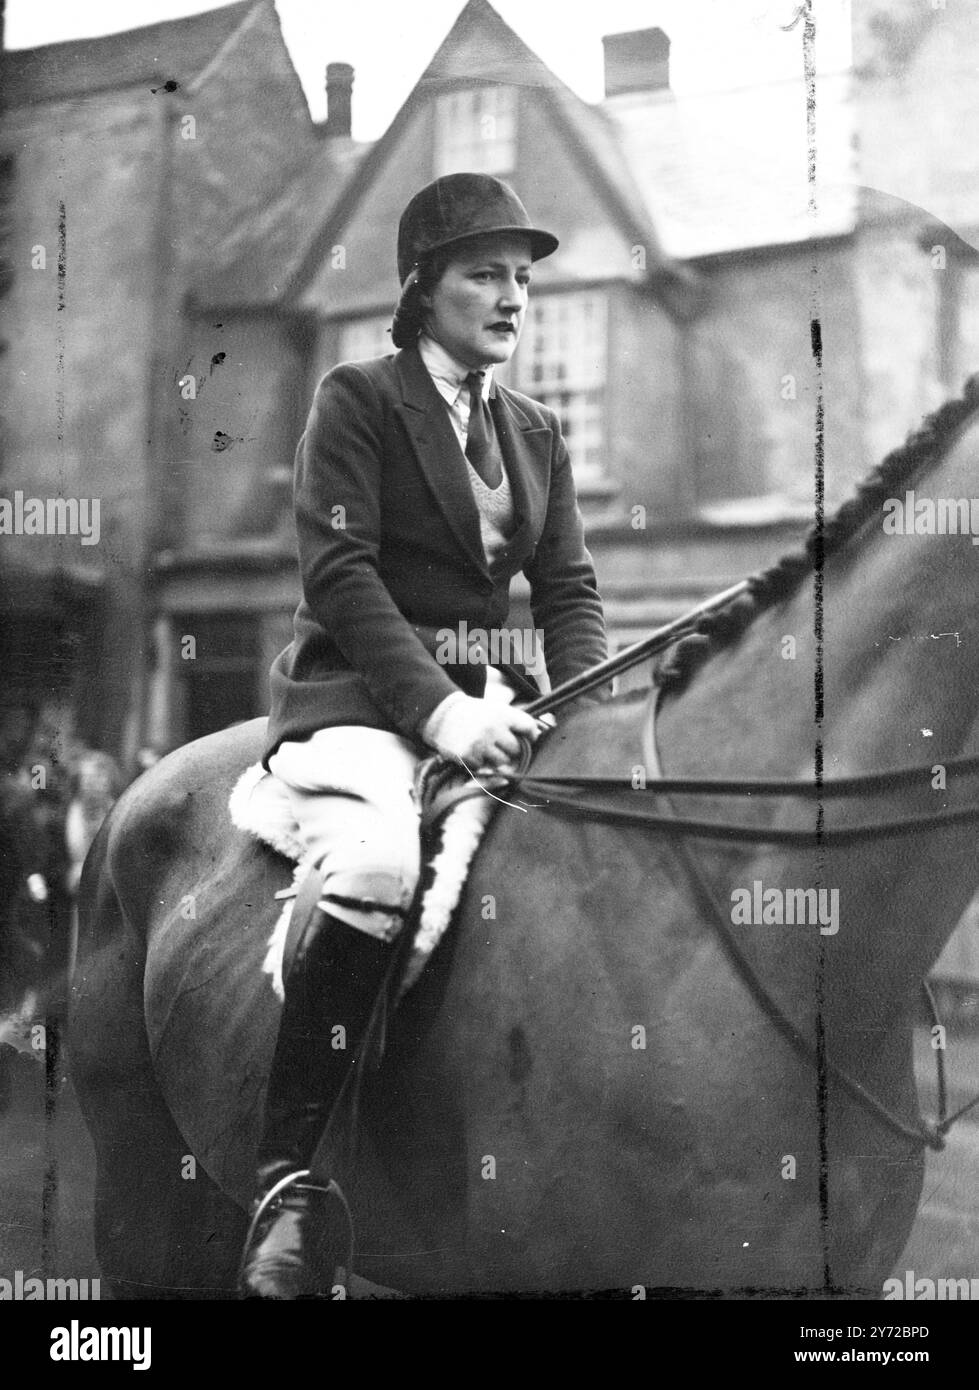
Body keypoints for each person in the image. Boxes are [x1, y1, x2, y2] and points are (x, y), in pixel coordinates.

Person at [239, 173, 609, 1298]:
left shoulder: (535, 430)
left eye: (524, 279)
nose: (512, 297)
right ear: (422, 287)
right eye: (485, 274)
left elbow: (572, 591)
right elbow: (341, 576)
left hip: (488, 711)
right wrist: (440, 707)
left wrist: (583, 713)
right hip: (358, 700)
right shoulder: (356, 398)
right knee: (382, 860)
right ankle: (288, 1182)